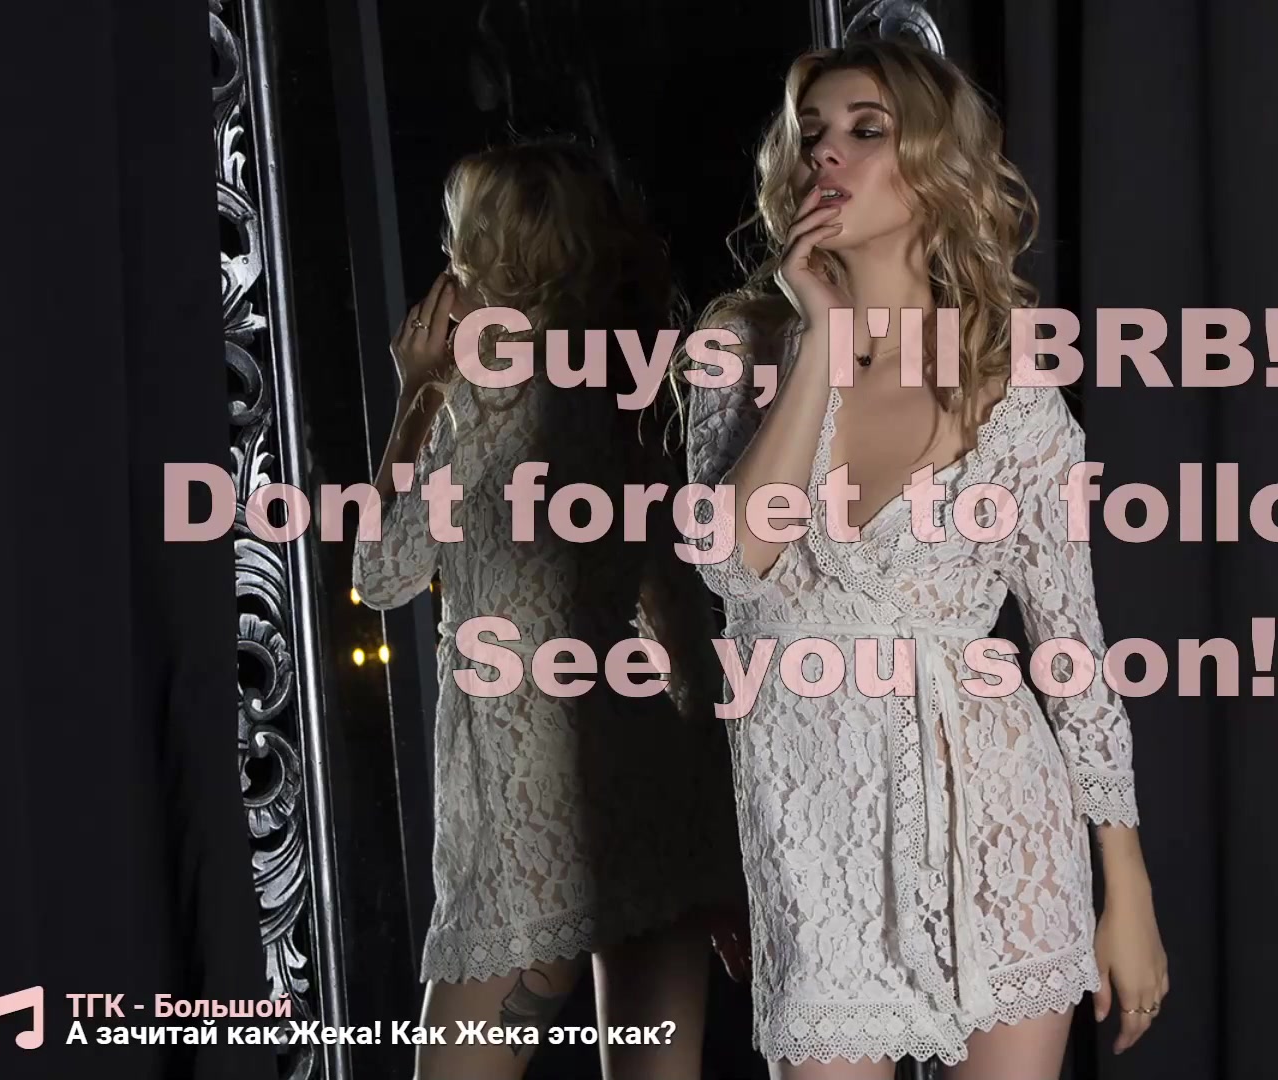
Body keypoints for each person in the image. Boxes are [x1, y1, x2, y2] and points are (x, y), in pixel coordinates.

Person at [676, 40, 1168, 1079]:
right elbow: (732, 560)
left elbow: (1074, 656)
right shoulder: (737, 352)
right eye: (811, 134)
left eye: (867, 131)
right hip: (815, 844)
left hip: (1001, 833)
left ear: (933, 166)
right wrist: (819, 337)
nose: (827, 155)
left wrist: (1127, 889)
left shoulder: (1010, 384)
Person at [355, 137, 746, 1080]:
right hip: (646, 786)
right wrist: (723, 846)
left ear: (489, 253)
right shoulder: (624, 403)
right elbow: (685, 642)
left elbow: (380, 573)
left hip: (524, 805)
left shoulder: (473, 406)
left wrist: (416, 394)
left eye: (457, 237)